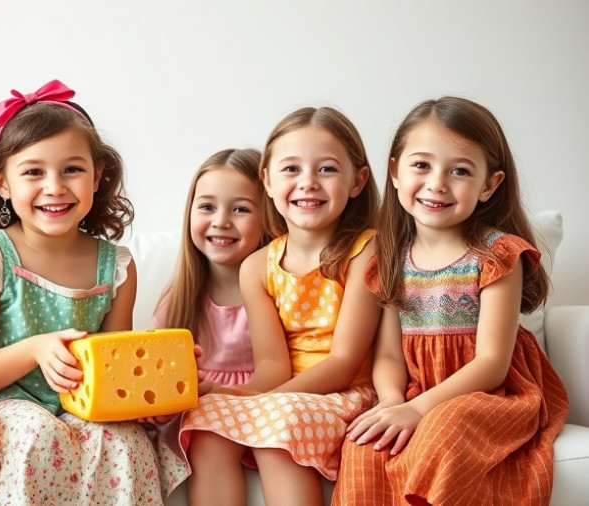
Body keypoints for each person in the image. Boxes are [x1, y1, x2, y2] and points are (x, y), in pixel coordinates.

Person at [0, 79, 188, 506]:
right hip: (11, 405)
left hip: (88, 407)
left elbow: (117, 367)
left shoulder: (117, 267)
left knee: (125, 441)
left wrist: (163, 375)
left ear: (97, 176)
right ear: (2, 183)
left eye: (72, 170)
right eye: (33, 172)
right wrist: (35, 349)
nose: (55, 186)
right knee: (38, 434)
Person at [333, 96, 569, 506]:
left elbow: (492, 364)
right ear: (394, 172)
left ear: (489, 185)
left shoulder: (497, 255)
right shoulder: (389, 260)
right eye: (421, 165)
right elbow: (388, 356)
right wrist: (393, 402)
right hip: (417, 391)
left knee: (444, 427)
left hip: (493, 395)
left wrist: (419, 409)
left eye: (459, 170)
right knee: (365, 443)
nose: (437, 183)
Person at [179, 106, 382, 505]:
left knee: (279, 425)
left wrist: (269, 401)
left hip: (349, 396)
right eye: (291, 169)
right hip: (288, 394)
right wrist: (237, 393)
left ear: (357, 181)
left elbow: (344, 362)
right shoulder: (257, 267)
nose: (308, 182)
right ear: (268, 181)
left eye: (326, 169)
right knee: (204, 418)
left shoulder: (366, 251)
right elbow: (273, 363)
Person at [153, 148, 275, 392]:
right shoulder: (175, 303)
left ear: (268, 218)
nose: (220, 221)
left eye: (241, 209)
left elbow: (281, 373)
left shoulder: (279, 293)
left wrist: (223, 395)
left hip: (260, 404)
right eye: (208, 207)